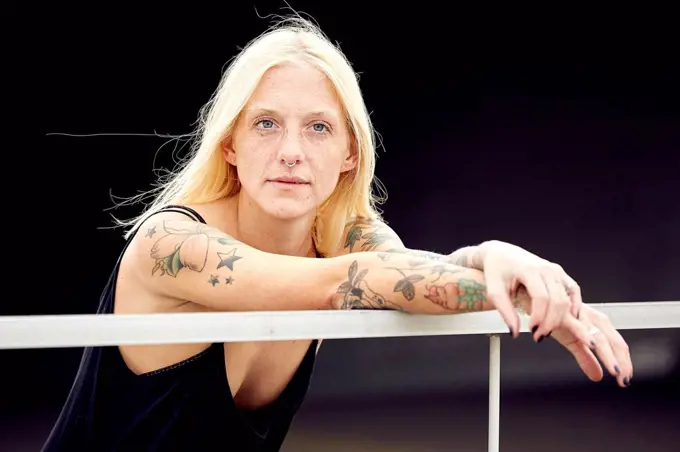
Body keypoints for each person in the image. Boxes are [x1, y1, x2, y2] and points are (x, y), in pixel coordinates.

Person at [43, 16, 633, 452]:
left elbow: (405, 277)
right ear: (230, 142)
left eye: (319, 128)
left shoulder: (344, 236)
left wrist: (491, 256)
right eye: (266, 124)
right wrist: (513, 288)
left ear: (350, 152)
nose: (292, 152)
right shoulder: (169, 245)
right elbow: (353, 283)